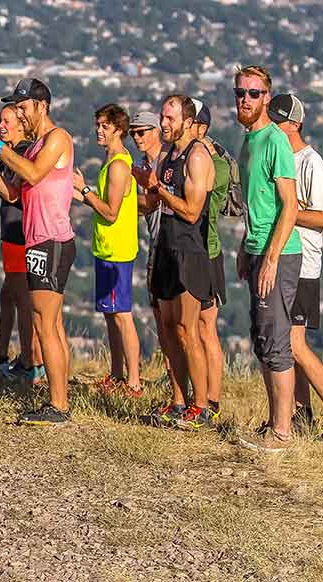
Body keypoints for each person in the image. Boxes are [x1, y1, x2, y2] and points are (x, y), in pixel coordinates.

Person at [0, 78, 75, 425]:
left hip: (52, 240)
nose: (21, 114)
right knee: (50, 323)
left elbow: (33, 172)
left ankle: (58, 405)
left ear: (41, 106)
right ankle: (59, 399)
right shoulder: (30, 147)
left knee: (45, 323)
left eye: (24, 107)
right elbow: (13, 194)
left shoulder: (57, 138)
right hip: (37, 240)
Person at [231, 66, 302, 452]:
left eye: (253, 93)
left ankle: (283, 432)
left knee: (276, 341)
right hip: (258, 249)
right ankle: (274, 422)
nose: (245, 99)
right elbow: (255, 206)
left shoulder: (275, 140)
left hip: (280, 254)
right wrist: (246, 245)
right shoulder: (248, 142)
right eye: (240, 92)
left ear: (266, 99)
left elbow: (289, 206)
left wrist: (271, 257)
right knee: (261, 339)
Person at [135, 96, 216, 430]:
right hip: (165, 246)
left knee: (187, 329)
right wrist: (142, 192)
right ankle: (178, 400)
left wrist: (159, 190)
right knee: (167, 328)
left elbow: (192, 210)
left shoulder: (197, 157)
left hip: (189, 249)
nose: (163, 124)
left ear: (187, 120)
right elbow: (153, 203)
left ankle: (202, 406)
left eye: (169, 118)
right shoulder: (166, 155)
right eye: (162, 117)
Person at [268, 93, 323, 441]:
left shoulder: (311, 163)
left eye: (280, 121)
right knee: (287, 344)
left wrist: (290, 213)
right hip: (285, 260)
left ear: (295, 124)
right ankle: (302, 415)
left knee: (295, 345)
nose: (275, 127)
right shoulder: (281, 161)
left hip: (304, 264)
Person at [72, 104, 141, 395]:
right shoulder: (111, 160)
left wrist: (85, 190)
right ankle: (116, 374)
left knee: (122, 315)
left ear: (118, 129)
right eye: (97, 124)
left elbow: (111, 212)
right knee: (110, 314)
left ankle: (134, 381)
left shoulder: (118, 165)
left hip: (117, 250)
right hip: (106, 248)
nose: (99, 130)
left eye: (104, 126)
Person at [0, 105, 44, 383]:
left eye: (6, 121)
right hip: (14, 230)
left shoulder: (23, 151)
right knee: (10, 294)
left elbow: (15, 193)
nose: (0, 125)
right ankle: (8, 353)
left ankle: (29, 360)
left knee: (23, 298)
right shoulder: (18, 151)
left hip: (18, 232)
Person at [131, 111, 186, 421]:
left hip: (167, 246)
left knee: (174, 324)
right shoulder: (149, 165)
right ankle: (174, 386)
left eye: (142, 132)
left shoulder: (164, 162)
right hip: (156, 244)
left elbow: (154, 202)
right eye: (134, 134)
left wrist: (126, 198)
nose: (137, 138)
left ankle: (182, 392)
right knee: (163, 323)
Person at [190, 99, 228, 423]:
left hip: (208, 251)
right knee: (195, 327)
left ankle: (211, 401)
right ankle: (201, 396)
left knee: (206, 328)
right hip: (198, 250)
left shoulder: (212, 162)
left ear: (200, 127)